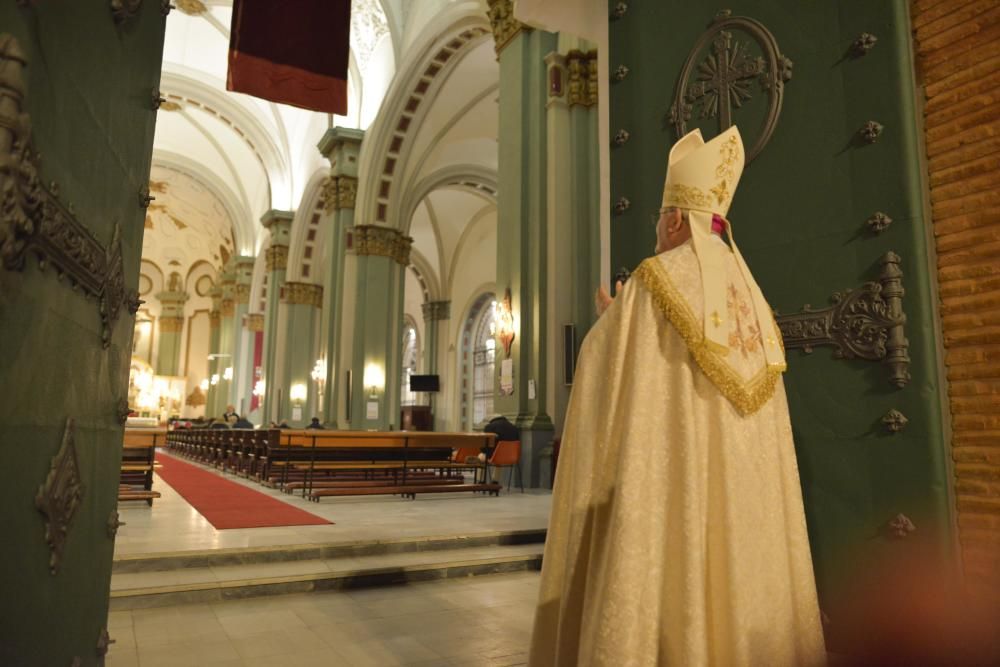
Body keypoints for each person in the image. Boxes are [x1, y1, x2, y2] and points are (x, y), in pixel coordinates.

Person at [529, 126, 826, 666]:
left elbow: (608, 371)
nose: (657, 237)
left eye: (658, 226)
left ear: (672, 219)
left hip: (679, 499)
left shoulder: (654, 281)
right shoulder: (754, 296)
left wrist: (611, 323)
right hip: (748, 519)